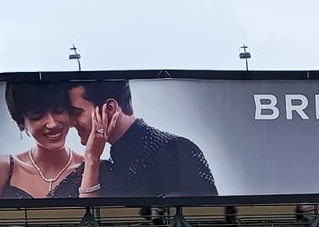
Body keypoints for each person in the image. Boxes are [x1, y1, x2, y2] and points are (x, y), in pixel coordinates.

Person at [69, 79, 218, 199]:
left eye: (76, 113)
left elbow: (209, 215)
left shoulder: (177, 150)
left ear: (109, 108)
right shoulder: (102, 167)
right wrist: (91, 159)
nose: (71, 123)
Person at [0, 82, 91, 200]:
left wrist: (92, 159)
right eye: (37, 117)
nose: (52, 124)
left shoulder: (92, 166)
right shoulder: (0, 168)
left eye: (58, 111)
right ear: (21, 124)